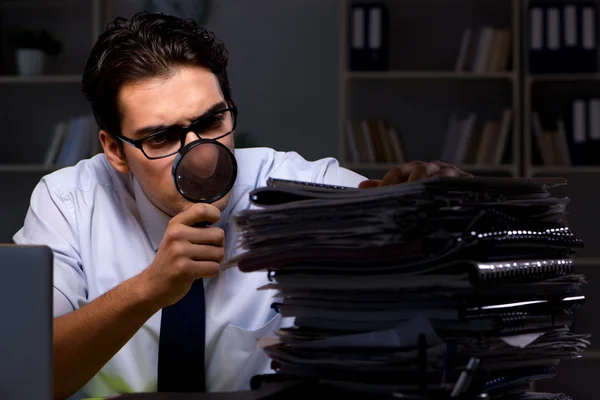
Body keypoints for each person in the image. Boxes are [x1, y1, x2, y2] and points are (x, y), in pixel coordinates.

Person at [13, 11, 471, 400]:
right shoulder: (69, 201)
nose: (201, 154)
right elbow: (23, 375)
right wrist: (149, 288)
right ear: (115, 150)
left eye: (211, 122)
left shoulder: (291, 184)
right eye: (161, 136)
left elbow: (397, 212)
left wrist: (439, 204)